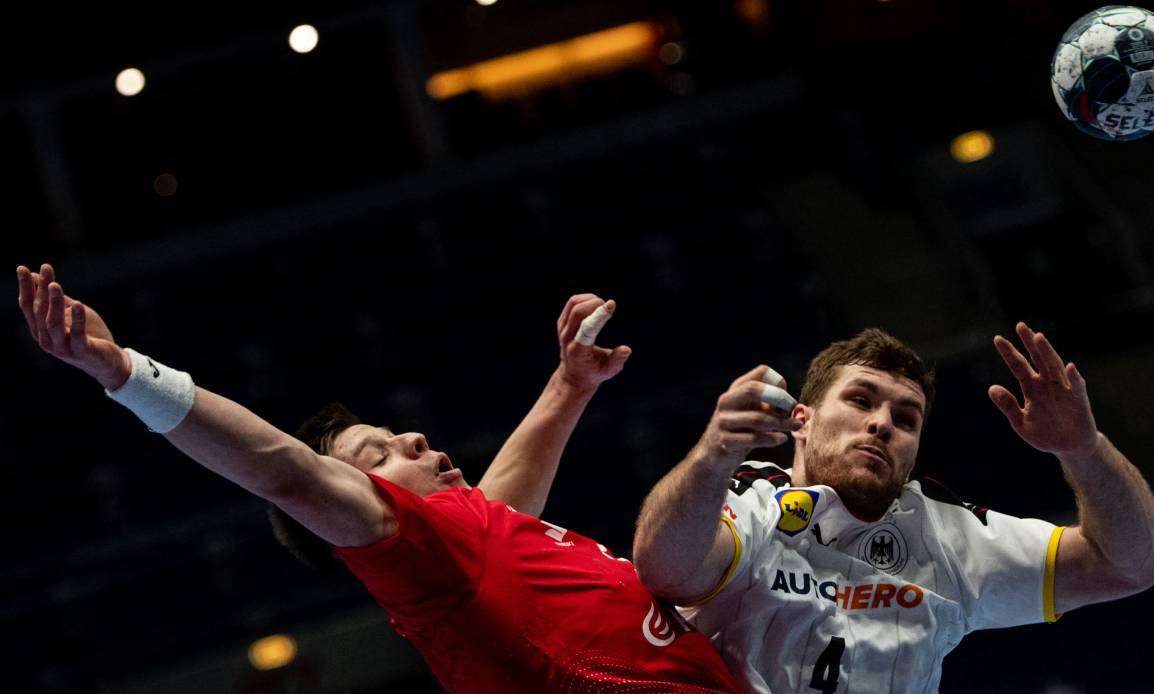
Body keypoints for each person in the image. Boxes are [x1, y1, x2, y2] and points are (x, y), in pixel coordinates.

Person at [16, 263, 739, 693]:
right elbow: (286, 472)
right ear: (360, 515)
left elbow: (497, 503)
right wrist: (124, 374)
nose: (414, 438)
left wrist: (569, 384)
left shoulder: (473, 549)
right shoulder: (419, 566)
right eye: (380, 454)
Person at [632, 327, 1154, 693]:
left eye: (906, 418)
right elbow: (666, 570)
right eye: (860, 401)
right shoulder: (751, 500)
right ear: (802, 420)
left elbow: (1131, 565)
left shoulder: (951, 534)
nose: (883, 424)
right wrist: (713, 455)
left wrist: (1083, 449)